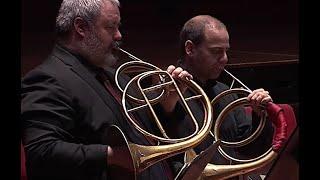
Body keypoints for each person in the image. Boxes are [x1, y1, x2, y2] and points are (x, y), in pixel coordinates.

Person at [21, 0, 193, 180]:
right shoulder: (47, 78)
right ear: (80, 27)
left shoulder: (117, 77)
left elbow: (151, 136)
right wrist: (113, 155)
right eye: (111, 27)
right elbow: (41, 151)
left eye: (118, 27)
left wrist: (167, 103)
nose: (119, 35)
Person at [171, 15, 275, 179]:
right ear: (190, 49)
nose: (225, 59)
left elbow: (249, 150)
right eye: (216, 51)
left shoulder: (225, 92)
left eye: (226, 51)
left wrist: (259, 115)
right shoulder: (168, 95)